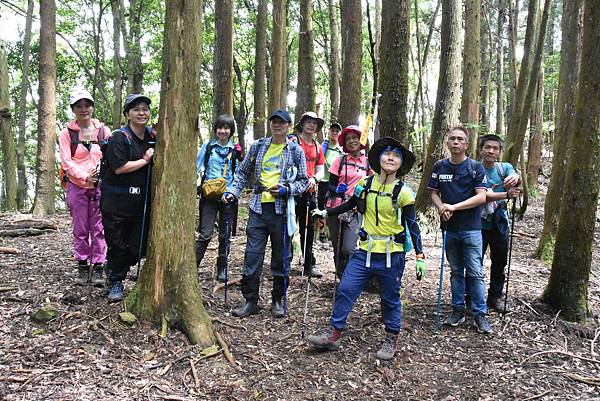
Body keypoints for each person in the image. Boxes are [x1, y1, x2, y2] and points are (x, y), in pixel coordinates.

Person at [307, 137, 425, 360]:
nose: (391, 158)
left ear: (401, 164)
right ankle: (334, 333)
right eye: (387, 154)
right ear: (378, 158)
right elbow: (350, 204)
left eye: (397, 156)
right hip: (364, 251)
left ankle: (391, 337)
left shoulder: (404, 193)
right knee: (346, 288)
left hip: (392, 254)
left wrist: (420, 255)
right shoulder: (365, 184)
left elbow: (412, 224)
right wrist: (325, 212)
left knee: (390, 298)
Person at [223, 109, 308, 318]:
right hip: (258, 208)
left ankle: (278, 299)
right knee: (252, 256)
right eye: (274, 122)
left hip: (281, 211)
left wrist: (287, 189)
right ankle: (250, 300)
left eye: (282, 122)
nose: (277, 125)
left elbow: (304, 180)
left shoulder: (296, 150)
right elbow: (243, 172)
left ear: (289, 126)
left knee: (281, 257)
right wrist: (232, 192)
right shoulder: (259, 146)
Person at [427, 125, 492, 334]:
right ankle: (457, 310)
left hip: (472, 228)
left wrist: (453, 207)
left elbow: (481, 196)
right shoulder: (439, 166)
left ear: (466, 144)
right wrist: (441, 208)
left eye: (460, 139)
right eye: (452, 139)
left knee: (475, 272)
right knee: (456, 271)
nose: (455, 142)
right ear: (447, 143)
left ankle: (480, 315)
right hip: (450, 228)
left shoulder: (475, 167)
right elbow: (434, 193)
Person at [100, 94, 155, 302]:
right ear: (127, 114)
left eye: (145, 109)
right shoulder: (119, 137)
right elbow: (119, 167)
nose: (142, 113)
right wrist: (144, 160)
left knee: (137, 246)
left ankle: (114, 267)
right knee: (117, 244)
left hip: (141, 203)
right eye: (136, 109)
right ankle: (115, 281)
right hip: (116, 203)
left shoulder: (152, 135)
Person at [59, 89, 110, 286]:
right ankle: (82, 265)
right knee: (80, 227)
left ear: (92, 106)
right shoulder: (67, 134)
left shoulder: (103, 131)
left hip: (100, 187)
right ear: (73, 109)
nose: (83, 109)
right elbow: (66, 161)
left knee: (99, 227)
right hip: (77, 186)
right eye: (78, 106)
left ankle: (98, 266)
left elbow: (110, 155)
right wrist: (84, 176)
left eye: (87, 105)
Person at [195, 115, 243, 282]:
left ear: (231, 131)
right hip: (209, 196)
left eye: (226, 128)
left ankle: (222, 267)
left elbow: (238, 174)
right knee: (205, 234)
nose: (223, 131)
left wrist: (231, 193)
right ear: (215, 129)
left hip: (228, 198)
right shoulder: (208, 147)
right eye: (220, 127)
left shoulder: (235, 150)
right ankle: (193, 266)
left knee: (225, 235)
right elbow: (198, 167)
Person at [476, 134, 521, 312]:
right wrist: (507, 194)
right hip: (476, 222)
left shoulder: (505, 168)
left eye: (495, 148)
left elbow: (515, 177)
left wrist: (516, 178)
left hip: (500, 222)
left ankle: (494, 297)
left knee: (500, 261)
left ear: (500, 152)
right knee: (474, 261)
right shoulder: (474, 168)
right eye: (487, 147)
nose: (491, 151)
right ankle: (471, 297)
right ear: (481, 149)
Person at [325, 125, 369, 278]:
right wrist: (337, 189)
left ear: (360, 139)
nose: (352, 141)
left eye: (354, 137)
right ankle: (341, 277)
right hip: (336, 207)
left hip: (356, 209)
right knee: (337, 247)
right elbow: (330, 185)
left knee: (348, 248)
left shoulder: (368, 164)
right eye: (348, 139)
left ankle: (352, 276)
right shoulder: (340, 160)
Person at [290, 111, 326, 278]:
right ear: (302, 124)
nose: (311, 125)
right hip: (292, 192)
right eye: (308, 122)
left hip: (310, 192)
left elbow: (320, 169)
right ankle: (285, 260)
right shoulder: (293, 142)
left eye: (314, 123)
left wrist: (314, 178)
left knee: (309, 230)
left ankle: (308, 264)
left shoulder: (318, 147)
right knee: (289, 226)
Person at [317, 122, 343, 244]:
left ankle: (333, 232)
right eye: (333, 130)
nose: (335, 133)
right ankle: (322, 233)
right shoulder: (324, 146)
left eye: (337, 131)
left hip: (335, 182)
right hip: (323, 180)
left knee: (334, 205)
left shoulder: (342, 149)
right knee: (321, 206)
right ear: (329, 132)